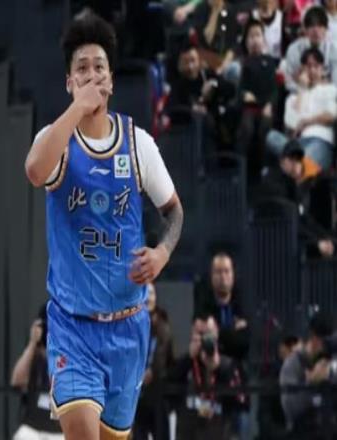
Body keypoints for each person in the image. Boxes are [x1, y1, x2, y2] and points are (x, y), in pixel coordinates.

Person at [24, 12, 183, 440]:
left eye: (99, 66)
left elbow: (174, 212)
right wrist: (79, 108)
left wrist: (163, 252)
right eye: (82, 68)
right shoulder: (55, 141)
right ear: (69, 82)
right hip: (73, 326)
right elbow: (35, 171)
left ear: (111, 79)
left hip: (128, 326)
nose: (92, 74)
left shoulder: (138, 144)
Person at [170, 318, 246, 440]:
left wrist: (218, 368)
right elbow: (168, 384)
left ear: (216, 334)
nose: (204, 339)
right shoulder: (186, 363)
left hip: (219, 433)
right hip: (189, 433)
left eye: (208, 333)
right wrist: (188, 359)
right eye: (199, 334)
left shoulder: (227, 365)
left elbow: (242, 402)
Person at [268, 47, 337, 171]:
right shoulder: (293, 97)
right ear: (302, 70)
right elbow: (292, 123)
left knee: (301, 163)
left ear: (322, 69)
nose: (312, 70)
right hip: (297, 144)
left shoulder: (330, 90)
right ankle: (297, 167)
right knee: (271, 137)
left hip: (320, 141)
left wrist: (306, 122)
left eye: (316, 66)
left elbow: (331, 116)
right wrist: (302, 89)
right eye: (308, 66)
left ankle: (293, 167)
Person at [279, 311, 335, 439]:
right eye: (324, 341)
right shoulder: (294, 363)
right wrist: (310, 384)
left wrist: (331, 374)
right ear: (314, 338)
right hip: (302, 432)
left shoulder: (333, 361)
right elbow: (290, 409)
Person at [11, 305, 63, 440]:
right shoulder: (34, 355)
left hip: (59, 431)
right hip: (32, 428)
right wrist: (32, 343)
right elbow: (17, 381)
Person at [237, 19, 279, 182]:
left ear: (263, 39)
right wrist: (244, 95)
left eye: (258, 35)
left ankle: (265, 168)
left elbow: (274, 89)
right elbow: (240, 89)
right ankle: (240, 168)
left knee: (265, 127)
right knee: (246, 128)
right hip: (250, 107)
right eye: (251, 36)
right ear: (246, 41)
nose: (255, 40)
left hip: (266, 106)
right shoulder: (244, 62)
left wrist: (269, 105)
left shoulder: (270, 61)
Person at [133, 284, 175, 440]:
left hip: (157, 392)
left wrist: (152, 371)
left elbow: (165, 356)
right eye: (144, 293)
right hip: (136, 394)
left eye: (151, 293)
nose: (148, 297)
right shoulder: (131, 324)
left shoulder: (163, 326)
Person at [194, 253, 250, 362]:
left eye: (226, 271)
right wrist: (232, 332)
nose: (223, 277)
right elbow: (202, 338)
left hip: (239, 365)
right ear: (211, 276)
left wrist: (217, 332)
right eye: (218, 272)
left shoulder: (242, 305)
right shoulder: (203, 307)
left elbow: (244, 342)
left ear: (233, 275)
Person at [283, 5, 337, 92]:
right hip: (300, 93)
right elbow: (288, 83)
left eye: (320, 26)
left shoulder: (334, 49)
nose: (316, 31)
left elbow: (335, 84)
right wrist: (304, 87)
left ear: (326, 29)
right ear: (304, 29)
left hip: (326, 93)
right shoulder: (293, 49)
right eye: (312, 26)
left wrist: (318, 85)